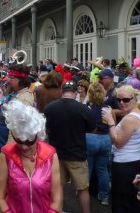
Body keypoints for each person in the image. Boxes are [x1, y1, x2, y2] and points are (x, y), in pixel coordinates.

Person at [0, 101, 62, 213]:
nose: (24, 147)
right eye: (19, 141)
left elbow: (56, 197)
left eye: (29, 141)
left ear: (37, 135)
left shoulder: (50, 155)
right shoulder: (6, 154)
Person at [44, 80, 96, 213]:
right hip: (77, 154)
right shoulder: (83, 108)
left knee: (58, 186)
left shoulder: (50, 107)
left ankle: (58, 210)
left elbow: (45, 129)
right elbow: (93, 129)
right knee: (82, 188)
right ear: (75, 92)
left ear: (62, 92)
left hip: (56, 154)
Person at [102, 84, 140, 213]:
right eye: (119, 100)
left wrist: (111, 122)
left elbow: (118, 142)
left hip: (125, 165)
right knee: (132, 200)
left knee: (123, 203)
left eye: (126, 100)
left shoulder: (130, 119)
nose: (121, 103)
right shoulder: (137, 114)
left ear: (134, 99)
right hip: (135, 161)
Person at [86, 82, 112, 206]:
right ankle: (105, 196)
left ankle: (83, 193)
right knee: (103, 169)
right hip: (106, 139)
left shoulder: (88, 108)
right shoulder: (107, 108)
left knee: (88, 168)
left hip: (90, 138)